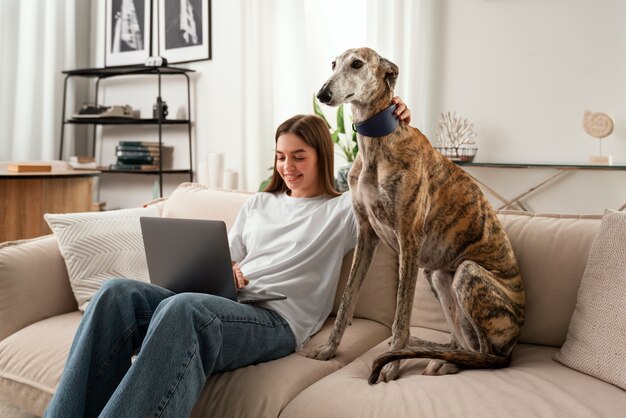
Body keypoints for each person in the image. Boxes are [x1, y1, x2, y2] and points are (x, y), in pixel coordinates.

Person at [44, 98, 411, 417]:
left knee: (184, 309)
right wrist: (228, 272)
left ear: (322, 157)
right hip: (227, 302)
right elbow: (225, 259)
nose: (288, 167)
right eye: (281, 157)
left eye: (299, 157)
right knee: (115, 294)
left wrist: (395, 127)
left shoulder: (343, 210)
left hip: (275, 321)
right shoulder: (260, 203)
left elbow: (397, 177)